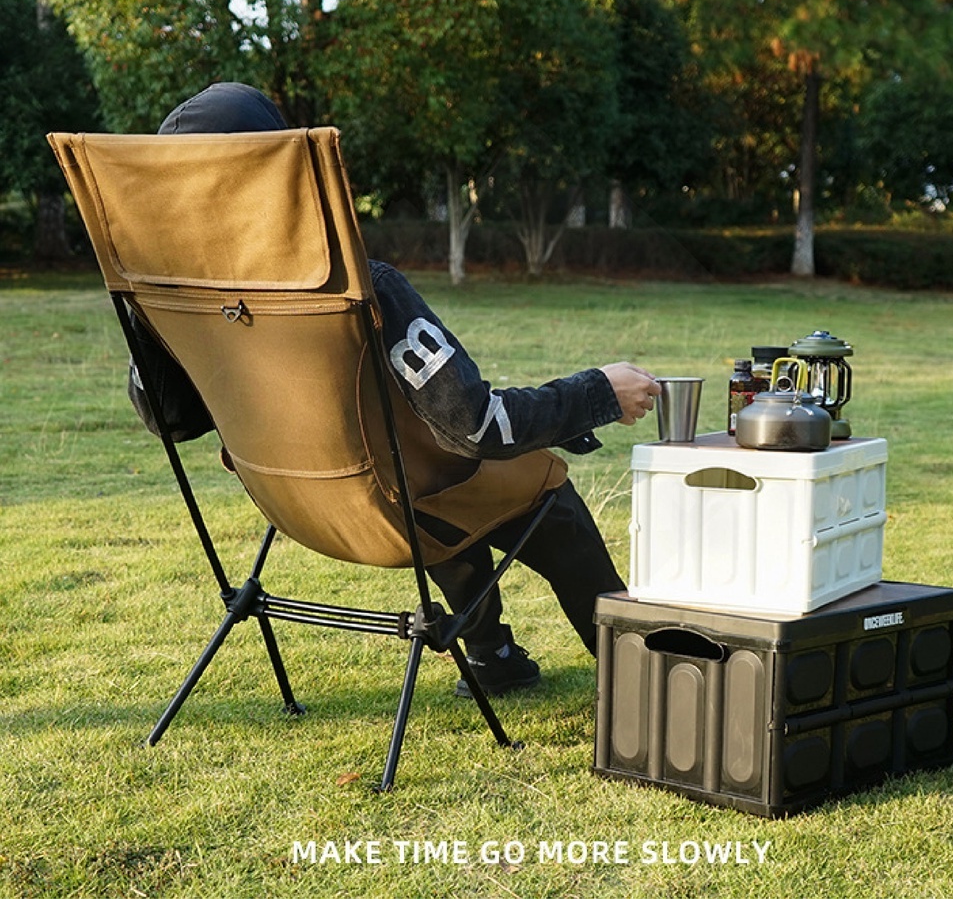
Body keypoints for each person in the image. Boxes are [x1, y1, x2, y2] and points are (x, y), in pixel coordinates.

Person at [127, 82, 662, 697]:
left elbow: (170, 420)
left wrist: (142, 323)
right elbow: (476, 426)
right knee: (534, 487)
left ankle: (491, 652)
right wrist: (598, 393)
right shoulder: (364, 288)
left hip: (295, 507)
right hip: (392, 506)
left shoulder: (168, 298)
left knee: (427, 471)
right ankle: (637, 676)